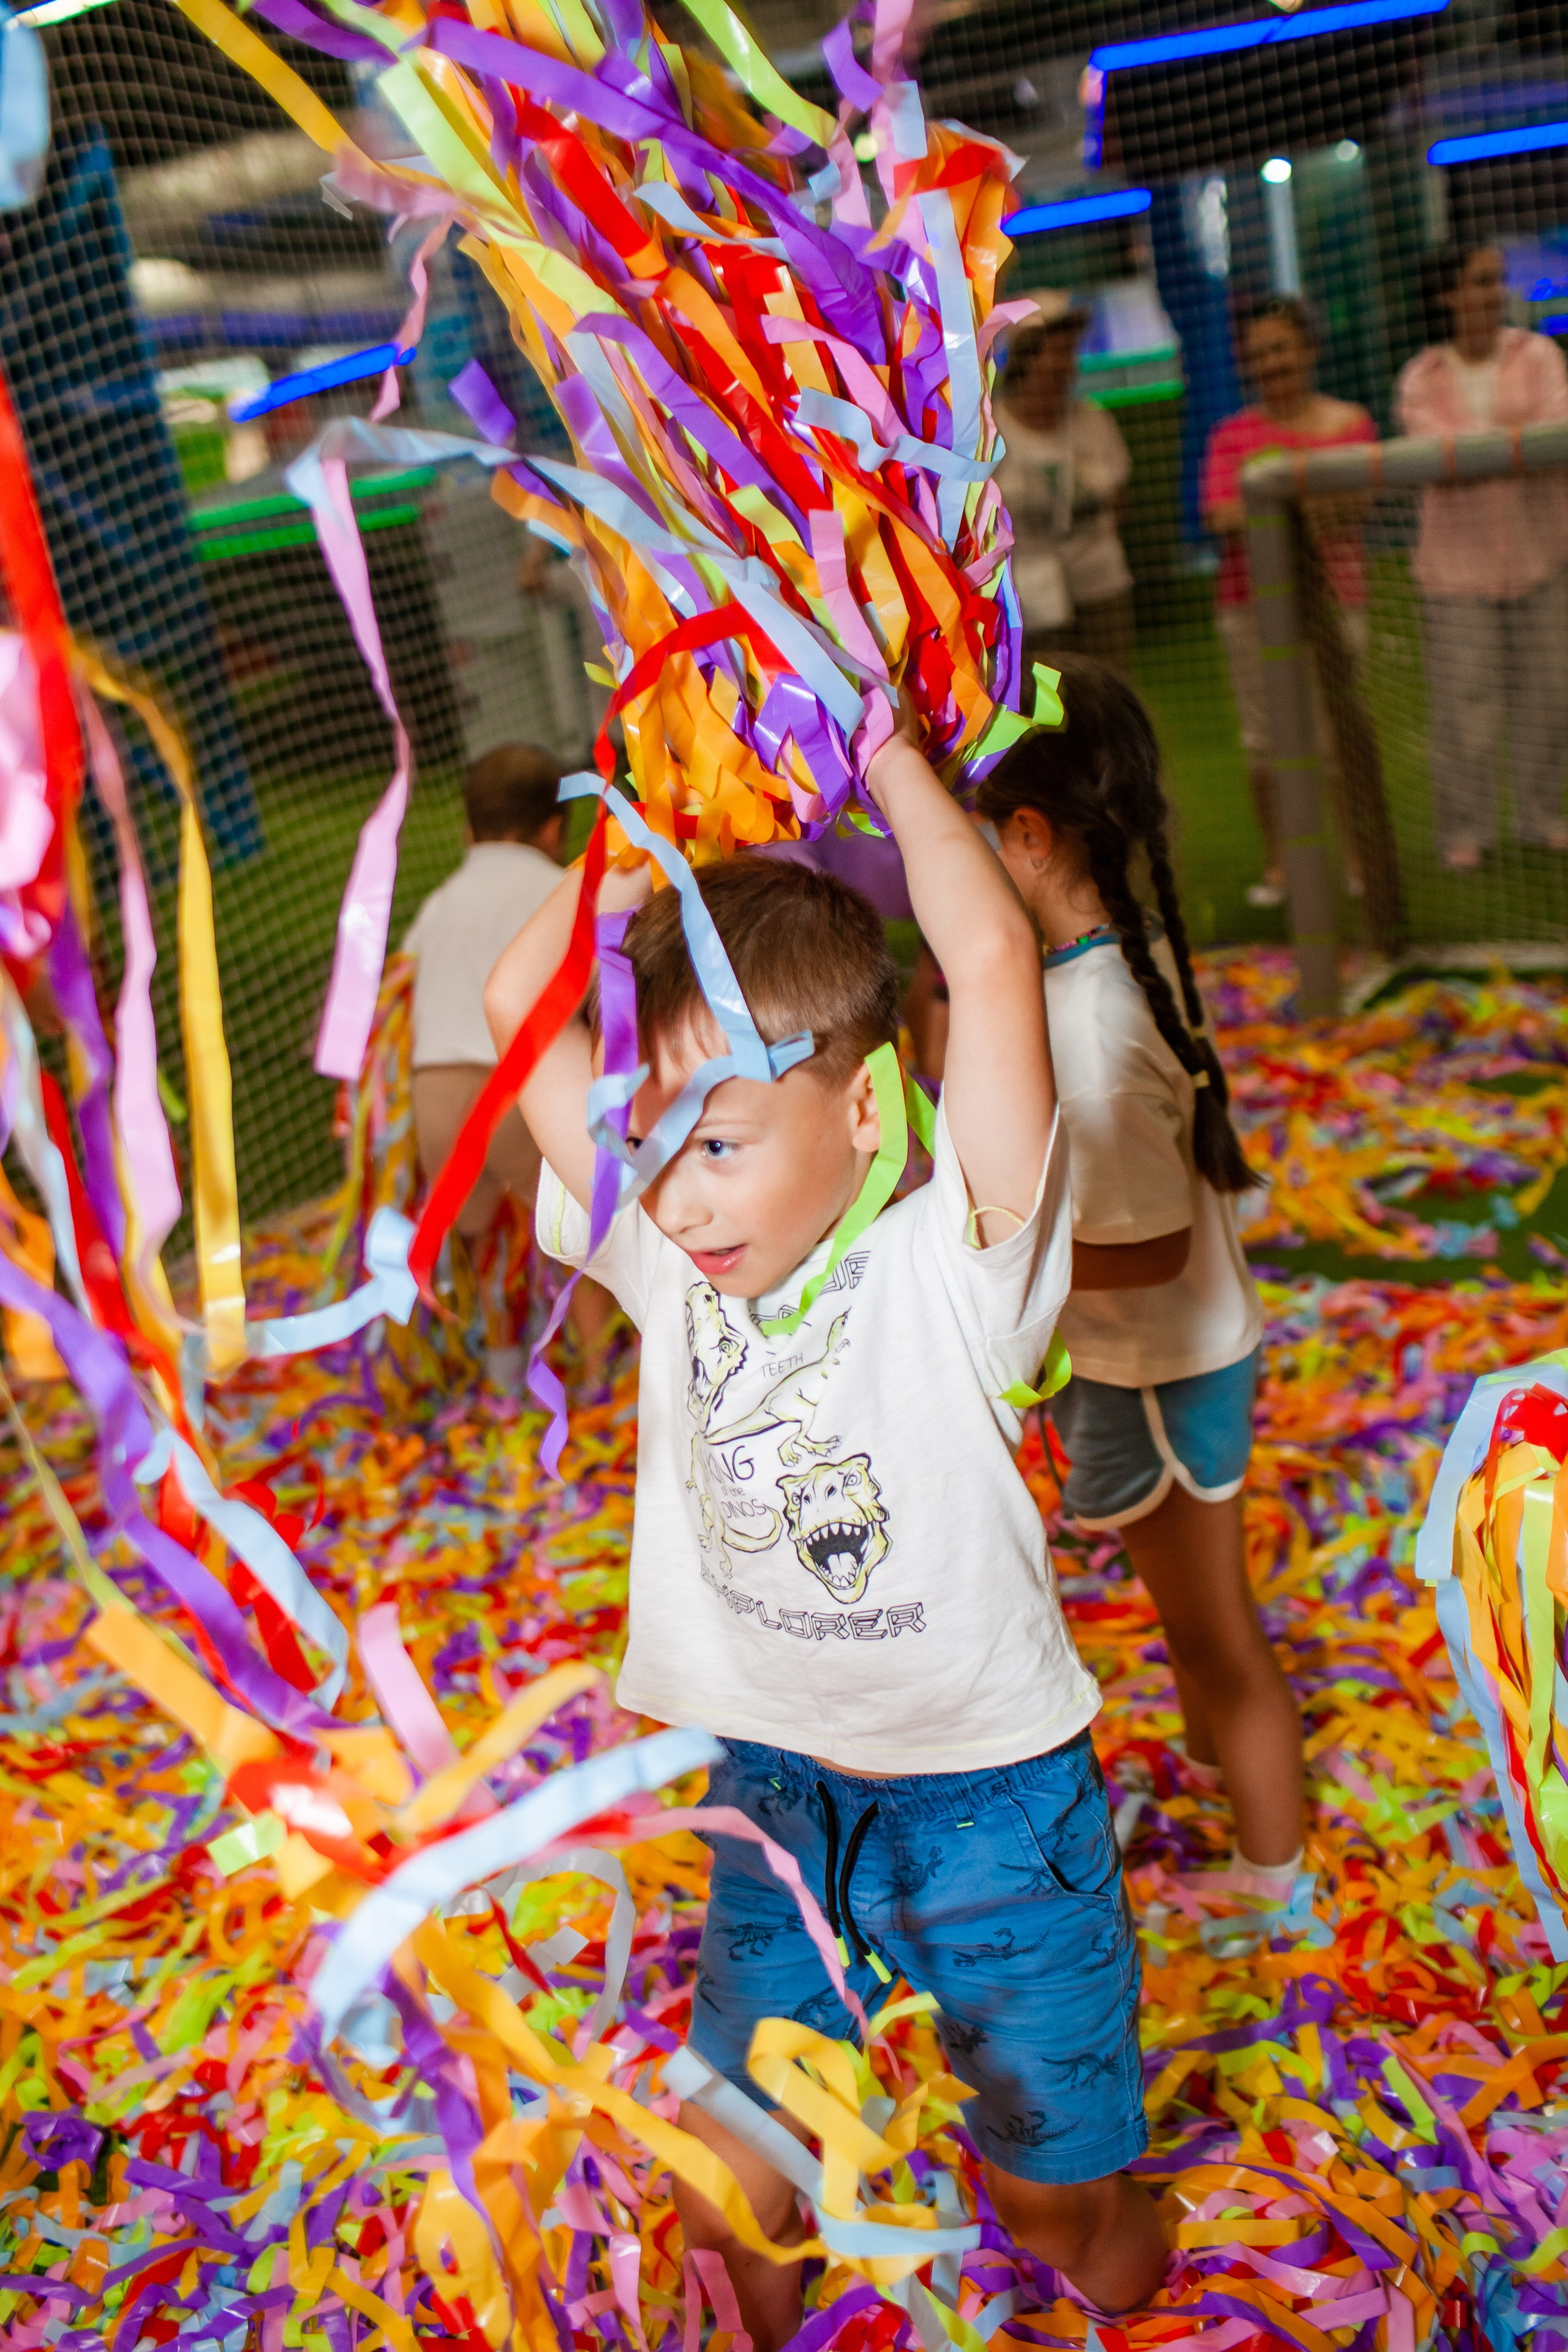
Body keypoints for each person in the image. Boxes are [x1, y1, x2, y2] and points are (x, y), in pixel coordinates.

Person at [484, 720, 1167, 2340]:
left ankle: (1139, 2270)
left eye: (717, 1145)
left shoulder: (959, 1263)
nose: (679, 1197)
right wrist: (643, 789)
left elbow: (989, 954)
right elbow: (523, 1007)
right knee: (730, 2190)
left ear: (866, 1115)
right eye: (655, 1153)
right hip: (780, 1805)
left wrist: (878, 753)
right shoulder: (668, 1259)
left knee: (1061, 2213)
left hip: (993, 1810)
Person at [977, 655, 1303, 1895]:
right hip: (1167, 1353)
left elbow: (1150, 1242)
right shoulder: (1117, 959)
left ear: (1023, 836)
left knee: (1216, 1632)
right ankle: (1236, 1808)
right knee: (1190, 1623)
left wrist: (996, 1261)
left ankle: (1274, 1878)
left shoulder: (1094, 1025)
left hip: (1160, 1362)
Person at [1395, 244, 1568, 870]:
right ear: (1447, 294)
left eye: (1496, 281)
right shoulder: (1422, 375)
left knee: (1549, 693)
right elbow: (1430, 456)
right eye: (1479, 281)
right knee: (1463, 704)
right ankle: (1464, 830)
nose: (1493, 292)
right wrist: (1508, 447)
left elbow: (1557, 432)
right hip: (1455, 571)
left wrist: (1475, 454)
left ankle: (1542, 814)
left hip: (1541, 554)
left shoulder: (1538, 354)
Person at [1201, 298, 1377, 907]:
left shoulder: (1349, 422)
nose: (1271, 361)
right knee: (1264, 738)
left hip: (1336, 601)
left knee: (1337, 732)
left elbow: (1355, 505)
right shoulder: (1231, 435)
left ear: (1308, 349)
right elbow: (1220, 515)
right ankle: (1280, 862)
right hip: (1249, 605)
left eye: (1281, 347)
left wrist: (1272, 506)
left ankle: (1357, 856)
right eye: (1259, 352)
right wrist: (1306, 505)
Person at [402, 742, 568, 1241]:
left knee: (475, 1244)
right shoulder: (559, 888)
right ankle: (592, 1322)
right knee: (582, 1238)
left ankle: (468, 1317)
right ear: (554, 830)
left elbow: (403, 988)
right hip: (515, 1094)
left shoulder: (438, 904)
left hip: (433, 1094)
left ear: (469, 833)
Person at [992, 292, 1136, 675]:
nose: (1063, 366)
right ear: (1024, 360)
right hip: (1030, 596)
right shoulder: (993, 432)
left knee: (1109, 690)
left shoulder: (1093, 421)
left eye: (1067, 354)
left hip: (1100, 583)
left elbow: (1119, 496)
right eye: (1051, 354)